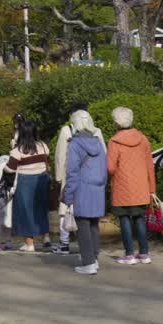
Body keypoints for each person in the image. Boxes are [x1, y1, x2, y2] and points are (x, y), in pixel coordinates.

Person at [51, 102, 105, 255]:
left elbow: (60, 155)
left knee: (65, 208)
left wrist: (59, 176)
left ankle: (64, 242)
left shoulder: (66, 130)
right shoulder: (97, 132)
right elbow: (103, 155)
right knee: (91, 216)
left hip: (72, 174)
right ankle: (92, 251)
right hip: (94, 177)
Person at [106, 106, 156, 265]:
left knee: (125, 219)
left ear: (116, 122)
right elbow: (150, 166)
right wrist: (152, 189)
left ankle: (129, 254)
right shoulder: (143, 139)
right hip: (141, 186)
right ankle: (144, 253)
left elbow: (110, 167)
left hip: (122, 187)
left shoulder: (114, 141)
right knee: (140, 218)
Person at [64, 110, 108, 275]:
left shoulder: (75, 144)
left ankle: (88, 262)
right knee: (94, 224)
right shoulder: (98, 142)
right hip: (97, 187)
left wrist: (68, 196)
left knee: (83, 225)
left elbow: (72, 172)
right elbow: (104, 170)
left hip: (82, 188)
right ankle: (94, 259)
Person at [6, 116, 51, 252]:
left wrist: (3, 167)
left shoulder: (18, 150)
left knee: (25, 211)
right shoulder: (43, 146)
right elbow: (46, 161)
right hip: (42, 180)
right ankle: (46, 237)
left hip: (25, 181)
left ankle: (29, 243)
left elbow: (11, 168)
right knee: (41, 209)